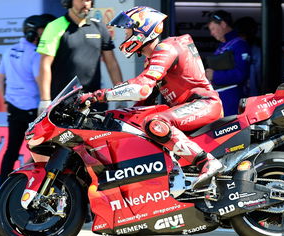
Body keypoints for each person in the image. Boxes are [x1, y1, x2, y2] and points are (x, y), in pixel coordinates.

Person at [80, 6, 224, 189]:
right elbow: (143, 102)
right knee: (141, 123)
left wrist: (97, 96)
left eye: (128, 31)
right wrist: (111, 117)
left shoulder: (166, 48)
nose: (125, 37)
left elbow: (141, 88)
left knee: (154, 122)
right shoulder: (153, 59)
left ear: (143, 29)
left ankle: (206, 162)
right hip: (191, 107)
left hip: (203, 103)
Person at [0, 14, 55, 186]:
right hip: (34, 109)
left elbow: (0, 77)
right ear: (32, 33)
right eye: (41, 32)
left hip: (14, 108)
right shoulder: (36, 54)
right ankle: (30, 184)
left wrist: (5, 100)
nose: (44, 35)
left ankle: (3, 189)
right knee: (43, 148)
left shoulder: (10, 51)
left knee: (11, 150)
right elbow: (40, 80)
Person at [36, 0, 123, 114]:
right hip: (62, 104)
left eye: (88, 0)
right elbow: (45, 64)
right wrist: (45, 100)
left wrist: (120, 93)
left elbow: (112, 64)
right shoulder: (54, 26)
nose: (85, 3)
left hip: (94, 102)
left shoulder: (100, 27)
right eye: (81, 0)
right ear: (69, 2)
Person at [205, 10, 250, 116]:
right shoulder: (222, 46)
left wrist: (214, 75)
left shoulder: (239, 44)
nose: (212, 33)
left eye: (213, 28)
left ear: (223, 24)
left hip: (233, 101)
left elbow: (241, 74)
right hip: (220, 100)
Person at [234, 16, 262, 96]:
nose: (242, 38)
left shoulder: (259, 51)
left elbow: (262, 79)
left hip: (257, 97)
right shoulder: (234, 49)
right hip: (239, 96)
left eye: (242, 34)